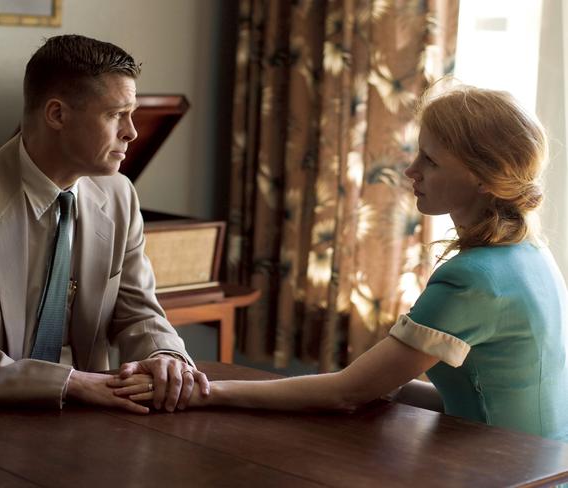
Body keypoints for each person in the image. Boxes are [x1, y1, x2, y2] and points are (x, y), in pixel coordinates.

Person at [112, 85, 568, 441]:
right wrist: (390, 387)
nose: (410, 171)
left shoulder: (473, 277)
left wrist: (202, 391)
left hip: (505, 472)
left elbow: (346, 393)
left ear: (484, 178)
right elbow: (501, 392)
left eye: (429, 160)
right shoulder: (530, 252)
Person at [0, 34, 208, 414]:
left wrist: (165, 354)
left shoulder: (120, 195)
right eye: (115, 114)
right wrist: (72, 383)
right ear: (57, 114)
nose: (132, 132)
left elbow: (139, 311)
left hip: (97, 424)